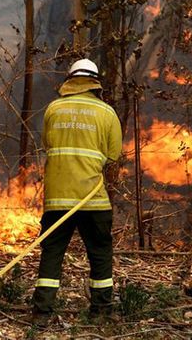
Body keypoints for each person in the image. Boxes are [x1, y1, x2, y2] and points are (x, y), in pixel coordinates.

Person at [32, 59, 122, 326]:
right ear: (95, 83)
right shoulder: (106, 112)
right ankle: (101, 311)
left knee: (52, 253)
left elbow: (48, 144)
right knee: (100, 252)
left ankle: (41, 313)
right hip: (93, 199)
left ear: (70, 80)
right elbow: (113, 154)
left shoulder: (53, 109)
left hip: (57, 199)